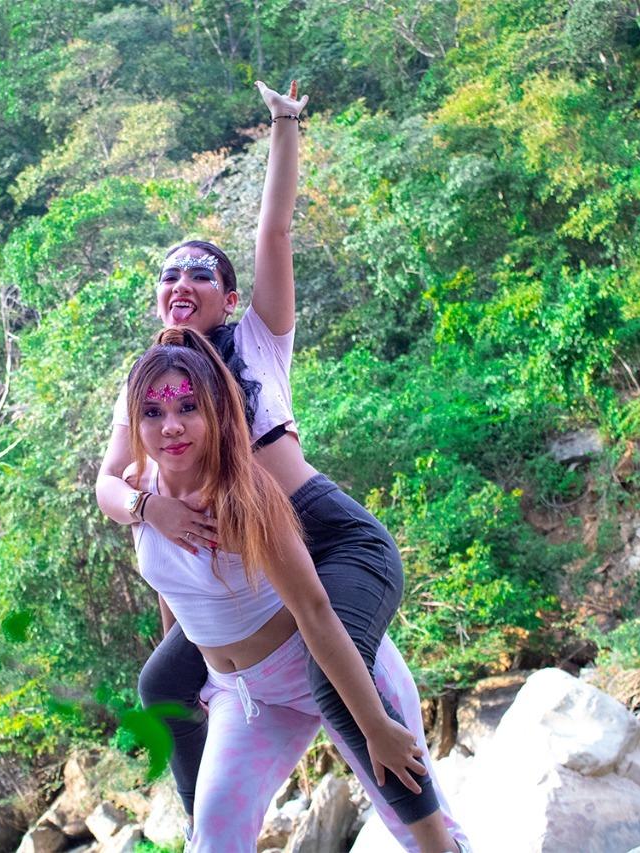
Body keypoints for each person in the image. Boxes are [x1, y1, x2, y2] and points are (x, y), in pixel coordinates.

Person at [96, 82, 469, 850]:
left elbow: (273, 227)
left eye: (200, 274)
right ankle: (205, 818)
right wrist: (149, 508)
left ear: (229, 297)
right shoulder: (153, 389)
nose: (181, 283)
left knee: (339, 686)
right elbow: (115, 491)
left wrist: (285, 122)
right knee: (163, 681)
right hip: (248, 577)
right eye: (169, 275)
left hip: (327, 538)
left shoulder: (256, 341)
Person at [120, 328, 462, 852]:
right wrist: (200, 685)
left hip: (334, 672)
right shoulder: (139, 492)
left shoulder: (245, 496)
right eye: (152, 412)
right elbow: (176, 588)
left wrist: (375, 725)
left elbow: (314, 609)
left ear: (215, 410)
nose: (171, 426)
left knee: (425, 835)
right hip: (246, 697)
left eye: (188, 407)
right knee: (214, 835)